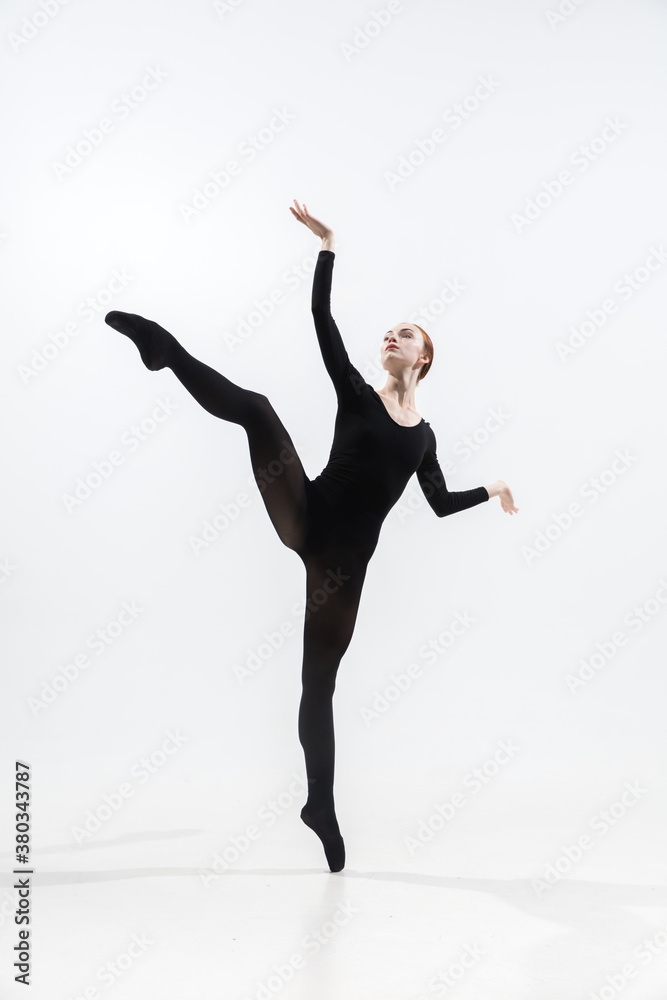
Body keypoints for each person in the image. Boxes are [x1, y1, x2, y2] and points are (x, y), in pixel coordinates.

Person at [104, 199, 518, 873]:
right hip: (306, 511)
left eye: (404, 333)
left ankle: (318, 804)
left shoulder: (425, 437)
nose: (391, 336)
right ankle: (165, 348)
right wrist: (328, 245)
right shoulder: (355, 392)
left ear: (425, 356)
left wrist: (491, 489)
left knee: (318, 685)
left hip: (344, 569)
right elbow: (321, 319)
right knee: (258, 411)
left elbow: (438, 504)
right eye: (386, 331)